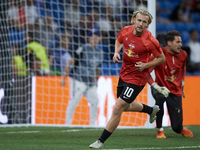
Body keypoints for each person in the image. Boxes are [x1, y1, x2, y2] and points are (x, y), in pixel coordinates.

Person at [89, 9, 166, 148]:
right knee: (125, 106)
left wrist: (146, 65)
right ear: (133, 20)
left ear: (147, 25)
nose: (141, 24)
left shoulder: (150, 41)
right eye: (139, 20)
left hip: (138, 78)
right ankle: (151, 110)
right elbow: (119, 41)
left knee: (117, 107)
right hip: (124, 74)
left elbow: (162, 58)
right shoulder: (125, 31)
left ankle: (100, 141)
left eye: (144, 22)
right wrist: (116, 52)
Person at [148, 30, 193, 139]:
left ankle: (180, 128)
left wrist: (182, 82)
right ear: (169, 43)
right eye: (177, 42)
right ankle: (159, 130)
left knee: (176, 128)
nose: (181, 45)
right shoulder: (158, 54)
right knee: (160, 97)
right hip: (160, 87)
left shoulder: (183, 54)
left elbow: (182, 68)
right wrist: (154, 85)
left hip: (175, 90)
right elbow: (146, 71)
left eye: (181, 42)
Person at [60, 29, 103, 126]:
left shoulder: (100, 53)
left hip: (90, 81)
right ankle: (67, 123)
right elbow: (70, 62)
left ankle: (92, 125)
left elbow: (97, 68)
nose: (94, 39)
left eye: (96, 37)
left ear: (99, 39)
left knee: (95, 102)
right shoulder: (82, 49)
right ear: (88, 39)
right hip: (78, 79)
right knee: (74, 101)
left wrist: (96, 81)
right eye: (92, 37)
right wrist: (63, 77)